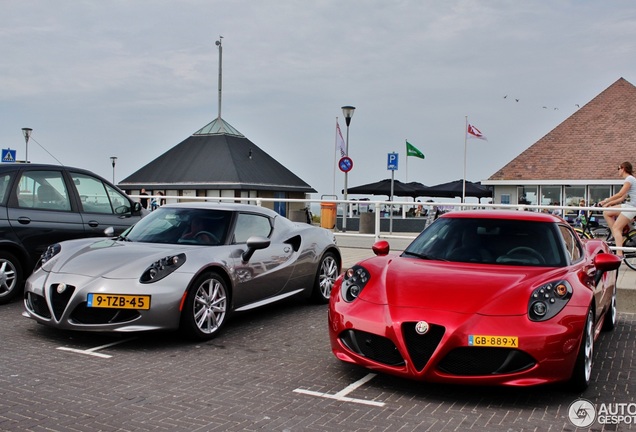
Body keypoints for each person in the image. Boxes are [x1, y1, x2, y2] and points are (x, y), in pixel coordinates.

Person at [601, 161, 636, 257]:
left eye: (618, 168)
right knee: (606, 212)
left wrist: (606, 201)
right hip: (628, 205)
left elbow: (620, 194)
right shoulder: (629, 180)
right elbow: (622, 198)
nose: (618, 171)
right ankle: (616, 234)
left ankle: (619, 254)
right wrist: (608, 204)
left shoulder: (629, 179)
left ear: (623, 168)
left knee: (616, 228)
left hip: (632, 207)